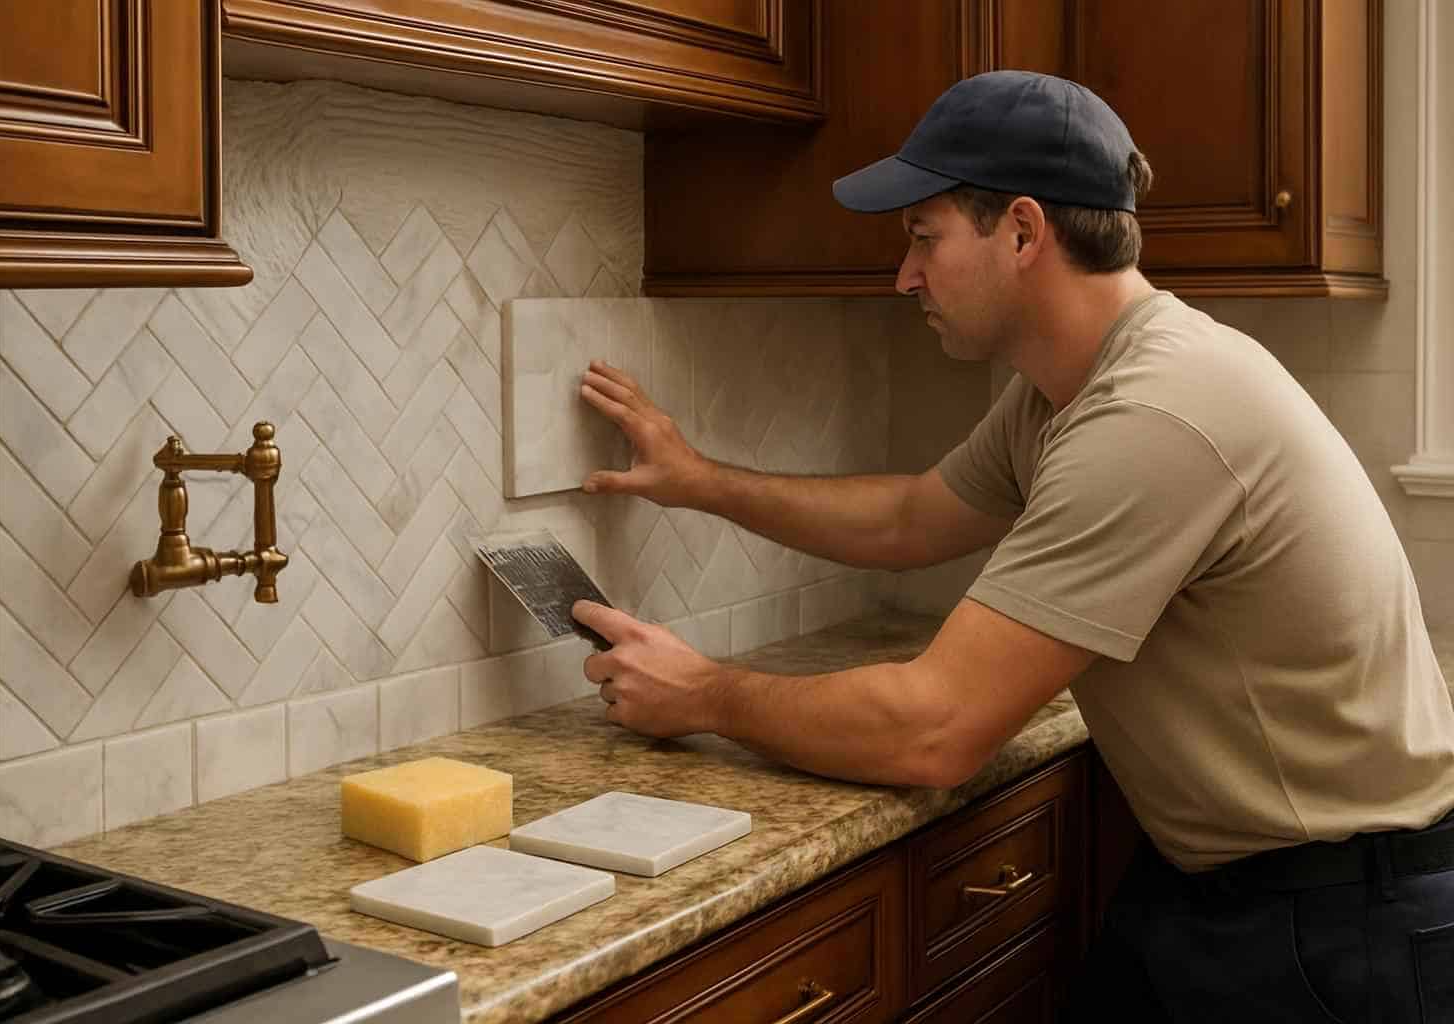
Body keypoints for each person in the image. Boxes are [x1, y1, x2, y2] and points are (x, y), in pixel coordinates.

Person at [569, 70, 1454, 1021]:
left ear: (1024, 232)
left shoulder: (1154, 413)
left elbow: (935, 728)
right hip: (1223, 882)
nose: (905, 275)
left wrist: (704, 694)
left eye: (923, 238)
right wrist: (699, 480)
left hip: (1339, 920)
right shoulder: (1066, 389)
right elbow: (913, 516)